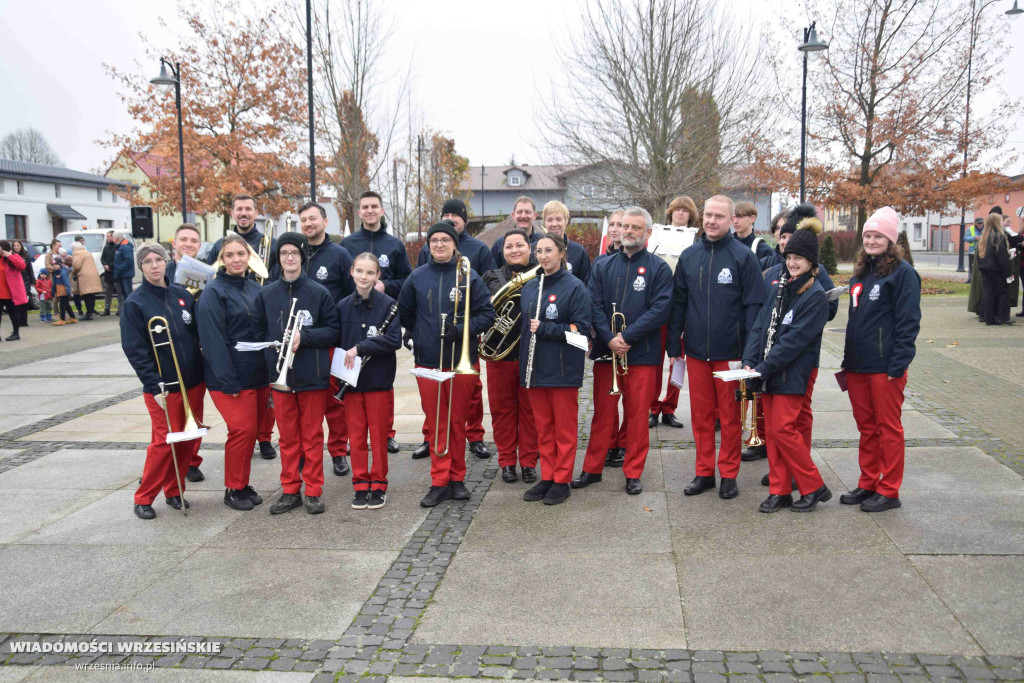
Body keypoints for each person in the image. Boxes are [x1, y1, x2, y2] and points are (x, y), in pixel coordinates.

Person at [667, 195, 765, 499]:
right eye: (708, 215)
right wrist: (674, 347)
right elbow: (678, 303)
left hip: (732, 355)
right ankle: (704, 472)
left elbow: (754, 308)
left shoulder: (743, 257)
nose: (712, 221)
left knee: (731, 417)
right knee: (701, 416)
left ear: (731, 219)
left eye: (719, 216)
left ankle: (729, 474)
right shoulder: (689, 256)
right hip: (696, 351)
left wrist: (750, 354)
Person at [575, 207, 672, 495]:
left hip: (642, 354)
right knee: (602, 415)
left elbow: (660, 309)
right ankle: (592, 469)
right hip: (608, 354)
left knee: (638, 417)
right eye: (625, 226)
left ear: (648, 233)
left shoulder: (659, 268)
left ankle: (633, 472)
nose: (628, 231)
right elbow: (592, 304)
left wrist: (627, 336)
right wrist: (608, 338)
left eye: (635, 227)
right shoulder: (603, 265)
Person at [398, 220, 495, 508]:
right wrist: (418, 334)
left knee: (456, 422)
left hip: (461, 362)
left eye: (445, 240)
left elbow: (487, 314)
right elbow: (406, 313)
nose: (440, 244)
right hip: (428, 362)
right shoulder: (416, 277)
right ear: (428, 245)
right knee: (437, 422)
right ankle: (439, 481)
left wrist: (461, 330)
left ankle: (457, 478)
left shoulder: (469, 276)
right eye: (435, 240)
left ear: (454, 244)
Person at [742, 226, 831, 512]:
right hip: (769, 369)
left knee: (783, 430)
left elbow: (794, 342)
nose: (792, 263)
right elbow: (760, 324)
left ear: (811, 262)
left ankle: (813, 485)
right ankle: (779, 490)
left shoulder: (815, 295)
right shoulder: (781, 285)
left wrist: (764, 368)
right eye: (789, 257)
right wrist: (749, 360)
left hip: (790, 372)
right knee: (773, 432)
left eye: (798, 258)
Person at [840, 206, 921, 512]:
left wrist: (898, 363)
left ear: (890, 240)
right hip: (857, 366)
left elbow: (908, 323)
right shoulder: (861, 273)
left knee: (888, 428)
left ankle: (889, 490)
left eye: (878, 236)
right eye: (868, 236)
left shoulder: (903, 274)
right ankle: (868, 482)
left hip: (885, 367)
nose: (871, 241)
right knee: (867, 428)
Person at [253, 233, 340, 516]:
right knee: (288, 438)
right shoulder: (266, 294)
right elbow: (257, 332)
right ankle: (290, 490)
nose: (289, 257)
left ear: (302, 256)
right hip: (280, 377)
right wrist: (271, 352)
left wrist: (305, 336)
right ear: (278, 258)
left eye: (294, 252)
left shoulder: (319, 292)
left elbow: (333, 331)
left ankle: (313, 491)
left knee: (312, 437)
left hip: (312, 375)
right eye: (284, 253)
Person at [748, 204, 840, 468]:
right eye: (780, 234)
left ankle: (797, 468)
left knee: (796, 417)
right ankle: (776, 462)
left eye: (788, 235)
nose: (783, 240)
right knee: (775, 419)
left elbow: (827, 310)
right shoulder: (773, 269)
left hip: (799, 358)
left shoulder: (815, 274)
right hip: (771, 357)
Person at [120, 243, 205, 519]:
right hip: (163, 388)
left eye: (158, 259)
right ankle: (143, 497)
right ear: (141, 267)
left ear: (166, 261)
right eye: (147, 262)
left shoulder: (182, 294)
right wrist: (152, 384)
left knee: (187, 441)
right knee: (163, 443)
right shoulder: (135, 303)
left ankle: (174, 491)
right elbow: (135, 350)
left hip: (193, 383)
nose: (154, 265)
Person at [280, 202, 359, 477]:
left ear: (325, 222)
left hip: (330, 340)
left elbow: (352, 295)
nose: (308, 224)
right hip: (295, 344)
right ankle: (303, 454)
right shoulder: (293, 252)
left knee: (333, 403)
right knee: (301, 404)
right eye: (303, 220)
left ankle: (338, 452)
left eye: (313, 218)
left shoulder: (339, 254)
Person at [415, 198, 496, 460]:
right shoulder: (424, 259)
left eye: (456, 215)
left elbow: (489, 289)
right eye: (446, 215)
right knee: (434, 403)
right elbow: (415, 298)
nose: (451, 219)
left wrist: (463, 326)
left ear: (464, 221)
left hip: (463, 341)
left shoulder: (478, 250)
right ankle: (431, 438)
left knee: (469, 396)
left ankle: (475, 436)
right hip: (431, 348)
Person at [196, 234, 271, 512]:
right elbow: (212, 341)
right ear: (221, 259)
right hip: (229, 378)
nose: (236, 259)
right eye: (230, 255)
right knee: (242, 430)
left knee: (251, 433)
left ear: (249, 256)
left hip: (257, 374)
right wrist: (228, 380)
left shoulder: (254, 288)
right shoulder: (213, 292)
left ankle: (242, 483)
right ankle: (233, 488)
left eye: (241, 254)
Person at [519, 233, 591, 505]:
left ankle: (562, 480)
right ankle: (548, 476)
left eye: (549, 250)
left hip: (562, 370)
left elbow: (582, 332)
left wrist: (548, 329)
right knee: (544, 429)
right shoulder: (530, 286)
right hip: (535, 369)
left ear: (562, 253)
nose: (543, 256)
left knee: (564, 430)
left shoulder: (575, 287)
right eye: (539, 251)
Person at [341, 190, 413, 457]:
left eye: (374, 206)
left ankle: (387, 433)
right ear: (359, 212)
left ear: (382, 211)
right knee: (352, 377)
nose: (370, 210)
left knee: (382, 377)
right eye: (365, 206)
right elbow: (343, 279)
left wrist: (384, 286)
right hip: (354, 312)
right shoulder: (347, 244)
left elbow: (406, 279)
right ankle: (355, 435)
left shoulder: (394, 244)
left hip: (383, 312)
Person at [336, 253, 402, 509]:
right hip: (352, 384)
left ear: (378, 276)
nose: (364, 277)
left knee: (378, 436)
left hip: (378, 381)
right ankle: (360, 483)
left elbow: (394, 340)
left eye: (370, 273)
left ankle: (379, 483)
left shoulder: (388, 304)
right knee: (355, 437)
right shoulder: (342, 306)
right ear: (352, 272)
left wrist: (360, 348)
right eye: (360, 271)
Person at [481, 228, 540, 484]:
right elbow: (480, 312)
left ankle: (528, 462)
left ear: (529, 247)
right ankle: (506, 461)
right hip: (500, 356)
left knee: (530, 412)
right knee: (502, 411)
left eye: (519, 245)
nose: (514, 250)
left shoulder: (541, 275)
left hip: (533, 354)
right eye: (509, 246)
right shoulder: (490, 278)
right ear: (502, 251)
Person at [650, 196, 699, 429]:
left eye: (685, 210)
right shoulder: (656, 236)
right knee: (654, 361)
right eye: (677, 209)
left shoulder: (696, 241)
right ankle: (652, 407)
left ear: (691, 215)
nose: (680, 213)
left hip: (682, 310)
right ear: (670, 213)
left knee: (677, 360)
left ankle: (670, 407)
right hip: (658, 307)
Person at [205, 194, 278, 277]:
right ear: (232, 213)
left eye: (248, 209)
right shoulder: (219, 245)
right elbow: (209, 277)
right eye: (239, 209)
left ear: (256, 213)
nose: (243, 213)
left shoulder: (272, 245)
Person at [978, 212, 1015, 326]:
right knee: (1004, 292)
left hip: (985, 268)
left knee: (988, 293)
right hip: (997, 269)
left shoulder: (984, 236)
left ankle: (989, 319)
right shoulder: (999, 236)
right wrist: (1008, 273)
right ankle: (1003, 317)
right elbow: (1001, 256)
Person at [538, 200, 591, 281]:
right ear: (544, 222)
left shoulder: (579, 252)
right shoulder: (535, 250)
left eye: (559, 219)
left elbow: (586, 283)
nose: (554, 224)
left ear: (566, 221)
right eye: (549, 220)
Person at [490, 196, 545, 268]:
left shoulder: (543, 242)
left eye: (527, 212)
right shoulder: (499, 245)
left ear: (535, 215)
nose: (523, 216)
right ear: (513, 215)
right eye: (519, 212)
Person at [0, 240, 28, 341]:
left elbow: (22, 266)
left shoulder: (13, 257)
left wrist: (9, 256)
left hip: (11, 293)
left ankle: (16, 333)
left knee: (13, 314)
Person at [71, 243, 102, 320]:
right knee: (91, 295)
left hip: (84, 276)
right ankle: (91, 311)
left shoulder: (77, 253)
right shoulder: (87, 252)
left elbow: (76, 266)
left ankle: (88, 314)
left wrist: (73, 271)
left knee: (86, 295)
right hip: (93, 274)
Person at [50, 248, 77, 326]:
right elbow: (54, 283)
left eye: (56, 264)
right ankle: (72, 317)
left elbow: (67, 282)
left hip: (64, 291)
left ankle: (62, 319)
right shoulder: (56, 272)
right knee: (66, 305)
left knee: (62, 305)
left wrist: (68, 291)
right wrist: (53, 291)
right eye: (53, 265)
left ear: (60, 264)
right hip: (60, 290)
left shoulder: (63, 272)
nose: (54, 266)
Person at [10, 240, 34, 328]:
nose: (16, 247)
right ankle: (18, 320)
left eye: (18, 245)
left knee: (24, 301)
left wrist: (32, 281)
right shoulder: (11, 256)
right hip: (16, 280)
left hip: (25, 280)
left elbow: (30, 269)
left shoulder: (25, 255)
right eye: (14, 245)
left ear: (21, 246)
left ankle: (24, 320)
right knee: (17, 302)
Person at [112, 232, 135, 307]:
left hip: (126, 274)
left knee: (128, 293)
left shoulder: (125, 247)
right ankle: (127, 308)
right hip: (121, 274)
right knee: (124, 294)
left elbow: (128, 260)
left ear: (116, 239)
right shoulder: (120, 246)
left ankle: (131, 308)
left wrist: (119, 268)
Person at [100, 230, 120, 315]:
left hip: (116, 272)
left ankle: (120, 309)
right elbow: (102, 258)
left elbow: (118, 259)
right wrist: (105, 265)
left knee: (119, 292)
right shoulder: (106, 247)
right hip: (108, 273)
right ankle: (107, 308)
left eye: (108, 236)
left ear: (113, 237)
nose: (107, 238)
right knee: (108, 291)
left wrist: (110, 266)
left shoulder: (117, 247)